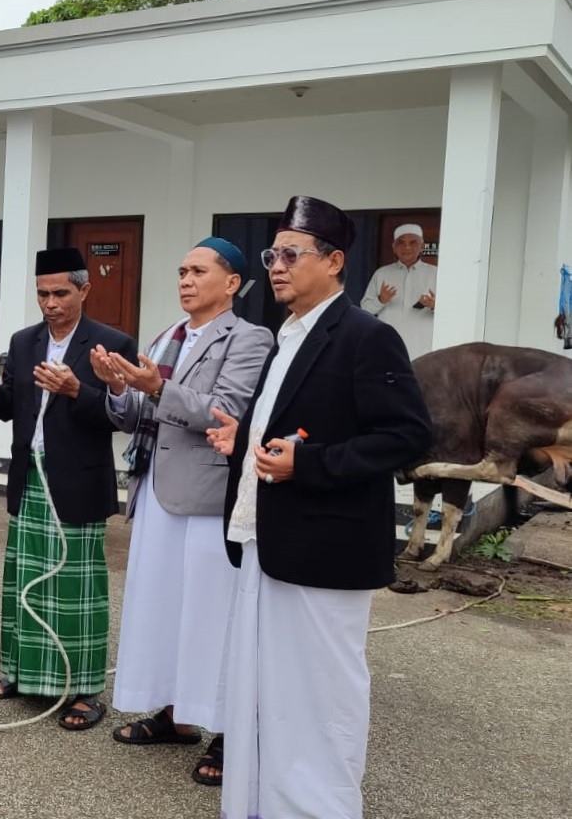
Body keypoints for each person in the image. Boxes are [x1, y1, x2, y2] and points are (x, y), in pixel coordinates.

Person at [207, 196, 432, 819]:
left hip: (325, 548)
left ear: (334, 262)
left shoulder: (366, 335)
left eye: (290, 254)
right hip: (269, 539)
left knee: (319, 692)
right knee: (267, 690)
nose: (276, 266)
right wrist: (242, 435)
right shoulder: (288, 337)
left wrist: (307, 464)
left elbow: (407, 437)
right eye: (271, 254)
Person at [89, 237, 272, 786]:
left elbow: (226, 413)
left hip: (205, 497)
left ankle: (226, 729)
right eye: (181, 271)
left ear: (232, 283)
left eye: (198, 271)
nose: (185, 280)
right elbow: (134, 414)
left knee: (209, 616)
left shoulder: (249, 338)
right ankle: (174, 715)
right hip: (155, 490)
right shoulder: (168, 336)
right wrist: (120, 388)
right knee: (162, 608)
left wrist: (156, 386)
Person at [0, 247, 137, 731]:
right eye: (42, 293)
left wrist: (75, 391)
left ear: (85, 289)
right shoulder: (23, 342)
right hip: (30, 474)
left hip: (76, 480)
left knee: (76, 587)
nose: (51, 303)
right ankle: (21, 672)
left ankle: (84, 689)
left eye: (61, 293)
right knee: (24, 581)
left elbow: (118, 416)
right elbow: (9, 410)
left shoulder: (111, 343)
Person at [361, 223, 436, 359]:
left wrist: (434, 305)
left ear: (422, 247)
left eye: (413, 242)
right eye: (401, 243)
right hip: (388, 345)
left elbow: (453, 313)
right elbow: (365, 310)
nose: (407, 247)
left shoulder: (435, 273)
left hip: (424, 346)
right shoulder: (382, 273)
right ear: (394, 248)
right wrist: (381, 300)